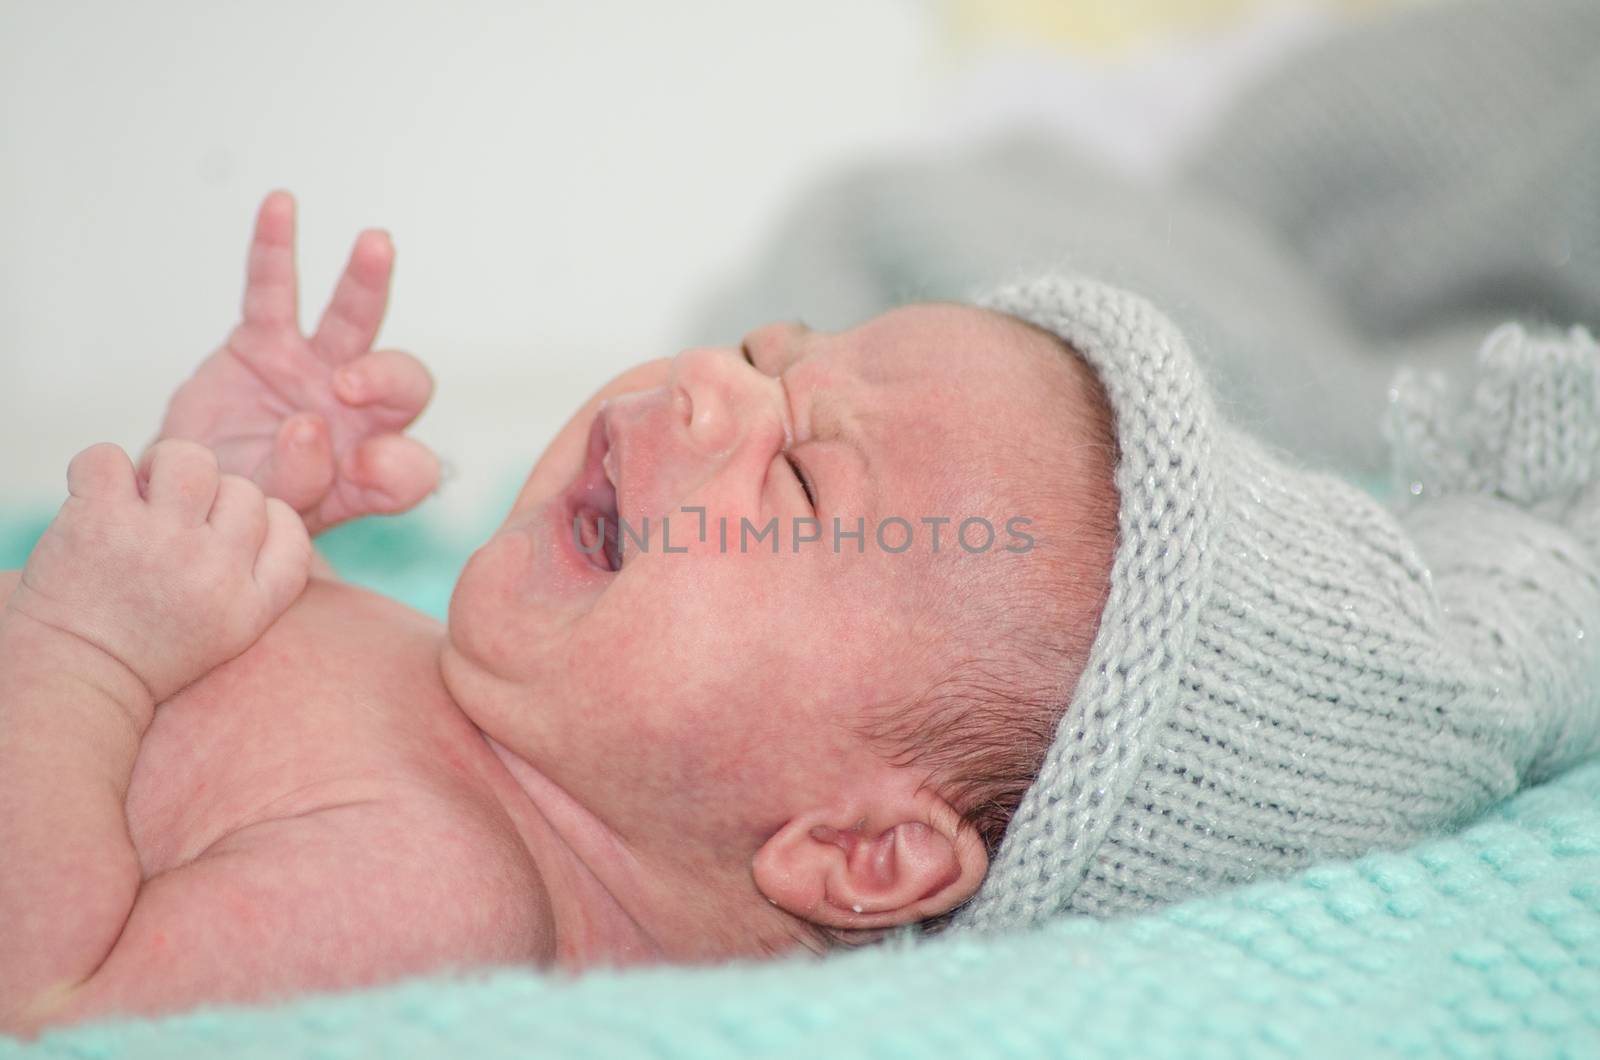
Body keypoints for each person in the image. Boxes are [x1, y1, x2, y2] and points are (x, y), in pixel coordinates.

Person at [5, 189, 1599, 1035]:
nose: (709, 390)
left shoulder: (448, 892)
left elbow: (55, 997)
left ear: (858, 854)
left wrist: (82, 644)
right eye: (772, 358)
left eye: (806, 487)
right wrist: (220, 507)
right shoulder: (481, 720)